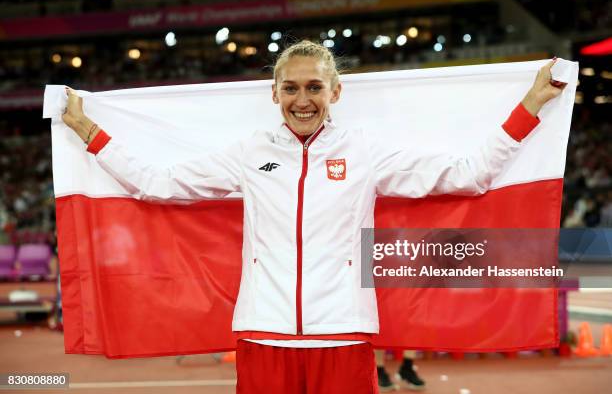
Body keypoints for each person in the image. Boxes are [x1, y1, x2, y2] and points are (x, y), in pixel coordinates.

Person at [61, 40, 565, 393]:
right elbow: (158, 182)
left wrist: (531, 105)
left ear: (335, 91)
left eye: (315, 88)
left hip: (344, 333)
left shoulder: (365, 152)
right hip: (263, 333)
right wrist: (87, 130)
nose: (303, 100)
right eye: (292, 89)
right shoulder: (250, 152)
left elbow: (467, 174)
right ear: (274, 93)